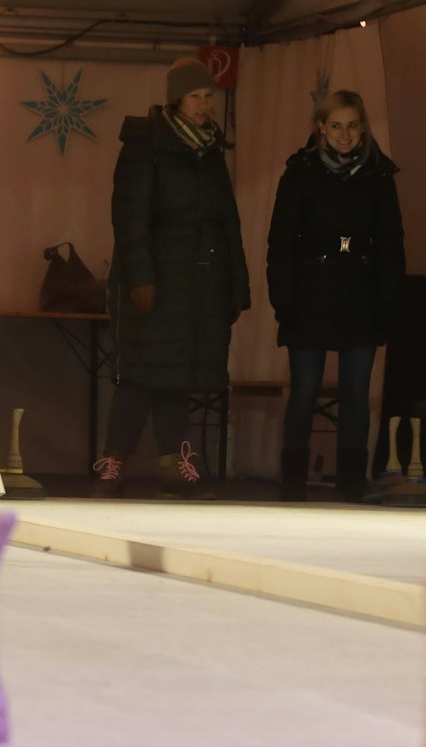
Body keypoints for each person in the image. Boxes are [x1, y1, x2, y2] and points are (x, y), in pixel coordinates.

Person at [97, 57, 250, 500]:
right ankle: (114, 461)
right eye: (196, 96)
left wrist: (236, 287)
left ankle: (174, 462)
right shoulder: (145, 145)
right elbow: (130, 218)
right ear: (176, 99)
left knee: (177, 374)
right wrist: (141, 276)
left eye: (209, 95)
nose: (205, 104)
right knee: (140, 375)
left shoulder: (210, 152)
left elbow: (228, 223)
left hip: (198, 283)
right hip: (155, 279)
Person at [267, 89, 406, 502]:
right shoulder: (300, 173)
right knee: (305, 390)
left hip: (360, 294)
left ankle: (351, 482)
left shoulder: (378, 175)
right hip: (311, 295)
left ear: (362, 128)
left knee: (356, 395)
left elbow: (392, 242)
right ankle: (292, 481)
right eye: (336, 126)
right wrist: (283, 299)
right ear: (321, 129)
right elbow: (280, 242)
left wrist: (388, 301)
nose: (344, 135)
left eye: (351, 126)